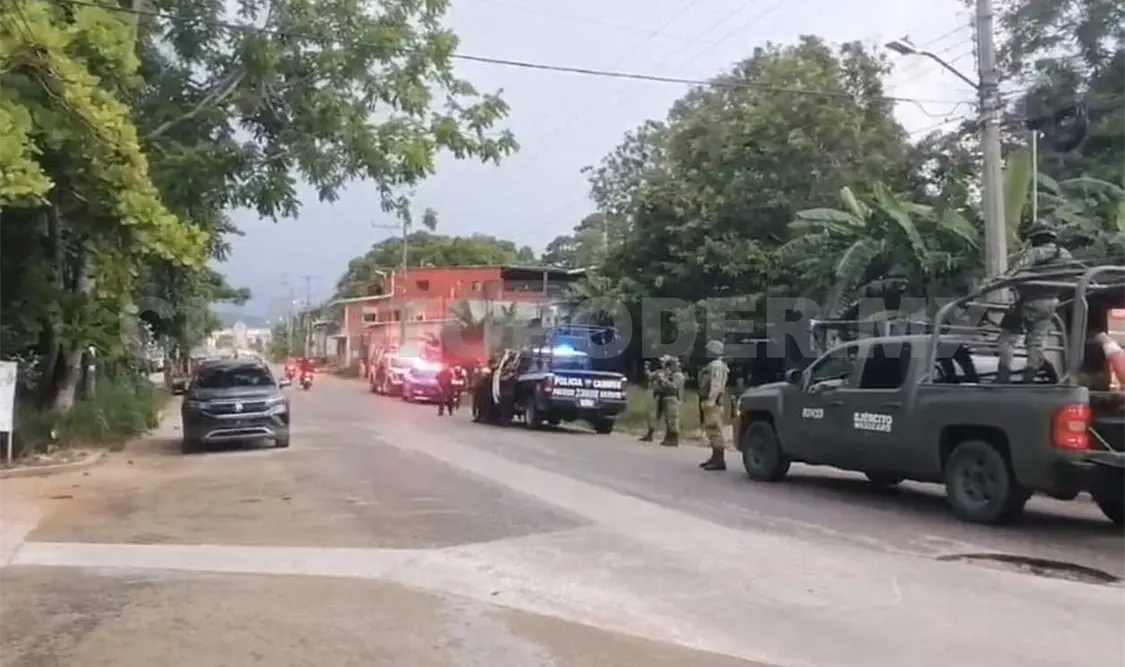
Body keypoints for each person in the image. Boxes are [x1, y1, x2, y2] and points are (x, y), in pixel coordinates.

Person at [996, 221, 1072, 383]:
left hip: (1029, 301)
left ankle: (1003, 373)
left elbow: (1013, 273)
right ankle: (1029, 376)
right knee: (1037, 340)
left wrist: (998, 280)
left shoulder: (1035, 253)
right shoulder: (1066, 254)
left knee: (1007, 336)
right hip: (1051, 302)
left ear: (1035, 238)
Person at [697, 339, 730, 471]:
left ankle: (719, 460)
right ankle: (715, 457)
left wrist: (711, 400)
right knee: (711, 430)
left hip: (713, 402)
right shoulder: (713, 365)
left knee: (714, 429)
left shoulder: (716, 366)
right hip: (711, 400)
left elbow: (716, 385)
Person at [639, 358, 668, 442]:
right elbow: (649, 376)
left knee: (667, 416)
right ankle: (650, 433)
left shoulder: (669, 373)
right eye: (661, 362)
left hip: (666, 395)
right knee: (653, 415)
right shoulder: (659, 372)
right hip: (658, 395)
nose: (662, 363)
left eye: (663, 362)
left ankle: (669, 435)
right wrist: (646, 368)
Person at [660, 357, 685, 447]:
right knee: (668, 419)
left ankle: (674, 439)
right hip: (667, 397)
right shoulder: (671, 375)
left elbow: (674, 386)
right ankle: (668, 437)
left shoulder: (678, 375)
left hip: (673, 398)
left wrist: (664, 380)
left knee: (673, 419)